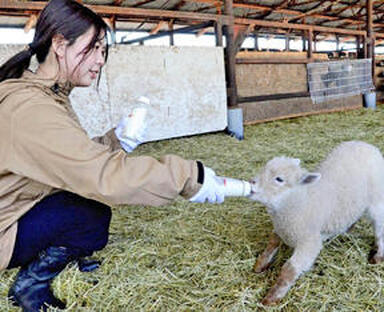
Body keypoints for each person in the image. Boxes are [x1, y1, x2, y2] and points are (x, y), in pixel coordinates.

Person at [0, 0, 226, 311]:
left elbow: (66, 159)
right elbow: (102, 176)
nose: (99, 60)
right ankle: (30, 285)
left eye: (103, 51)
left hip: (16, 206)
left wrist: (114, 140)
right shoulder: (31, 107)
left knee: (86, 208)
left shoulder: (46, 94)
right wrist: (189, 176)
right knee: (90, 215)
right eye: (93, 48)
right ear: (60, 44)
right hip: (4, 225)